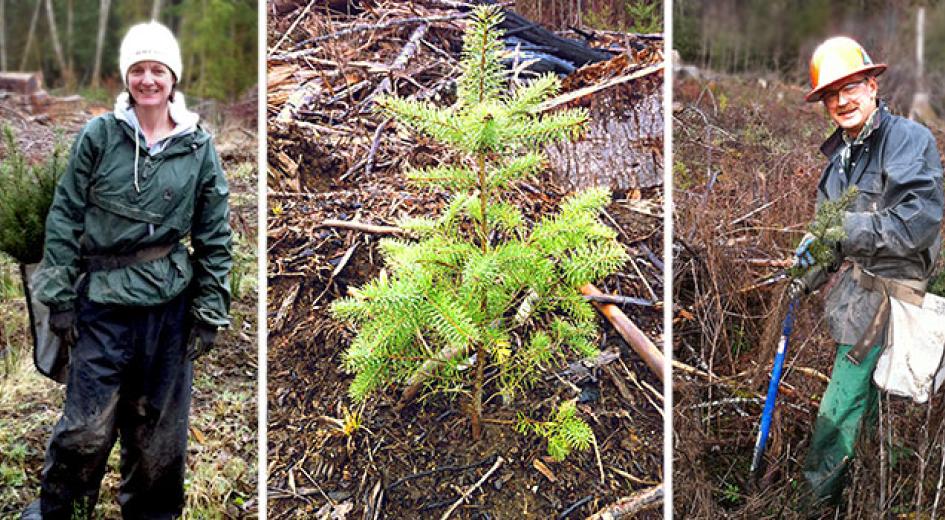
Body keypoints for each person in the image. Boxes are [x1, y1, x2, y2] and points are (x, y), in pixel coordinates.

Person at [22, 21, 232, 519]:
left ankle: (153, 515)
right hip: (102, 304)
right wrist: (59, 297)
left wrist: (209, 309)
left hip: (168, 308)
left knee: (159, 431)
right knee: (85, 428)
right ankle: (60, 513)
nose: (148, 80)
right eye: (137, 69)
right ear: (126, 77)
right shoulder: (100, 136)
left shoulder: (197, 146)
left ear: (172, 77)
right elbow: (66, 213)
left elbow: (215, 232)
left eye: (157, 69)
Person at [792, 36, 944, 509]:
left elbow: (917, 222)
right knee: (871, 410)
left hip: (891, 302)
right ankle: (868, 491)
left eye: (851, 87)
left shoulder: (908, 140)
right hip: (853, 305)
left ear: (873, 85)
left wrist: (844, 228)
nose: (842, 100)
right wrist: (807, 270)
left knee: (837, 413)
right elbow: (831, 239)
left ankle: (812, 506)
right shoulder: (837, 161)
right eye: (831, 95)